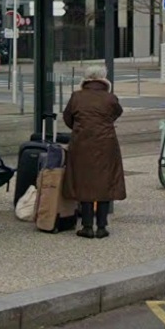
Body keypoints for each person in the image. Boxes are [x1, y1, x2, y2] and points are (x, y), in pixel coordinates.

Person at [62, 65, 126, 239]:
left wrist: (81, 129)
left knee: (85, 182)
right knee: (104, 182)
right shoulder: (110, 98)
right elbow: (117, 113)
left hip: (82, 144)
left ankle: (87, 226)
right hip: (106, 144)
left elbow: (68, 118)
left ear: (86, 79)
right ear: (104, 79)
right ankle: (102, 226)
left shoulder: (76, 97)